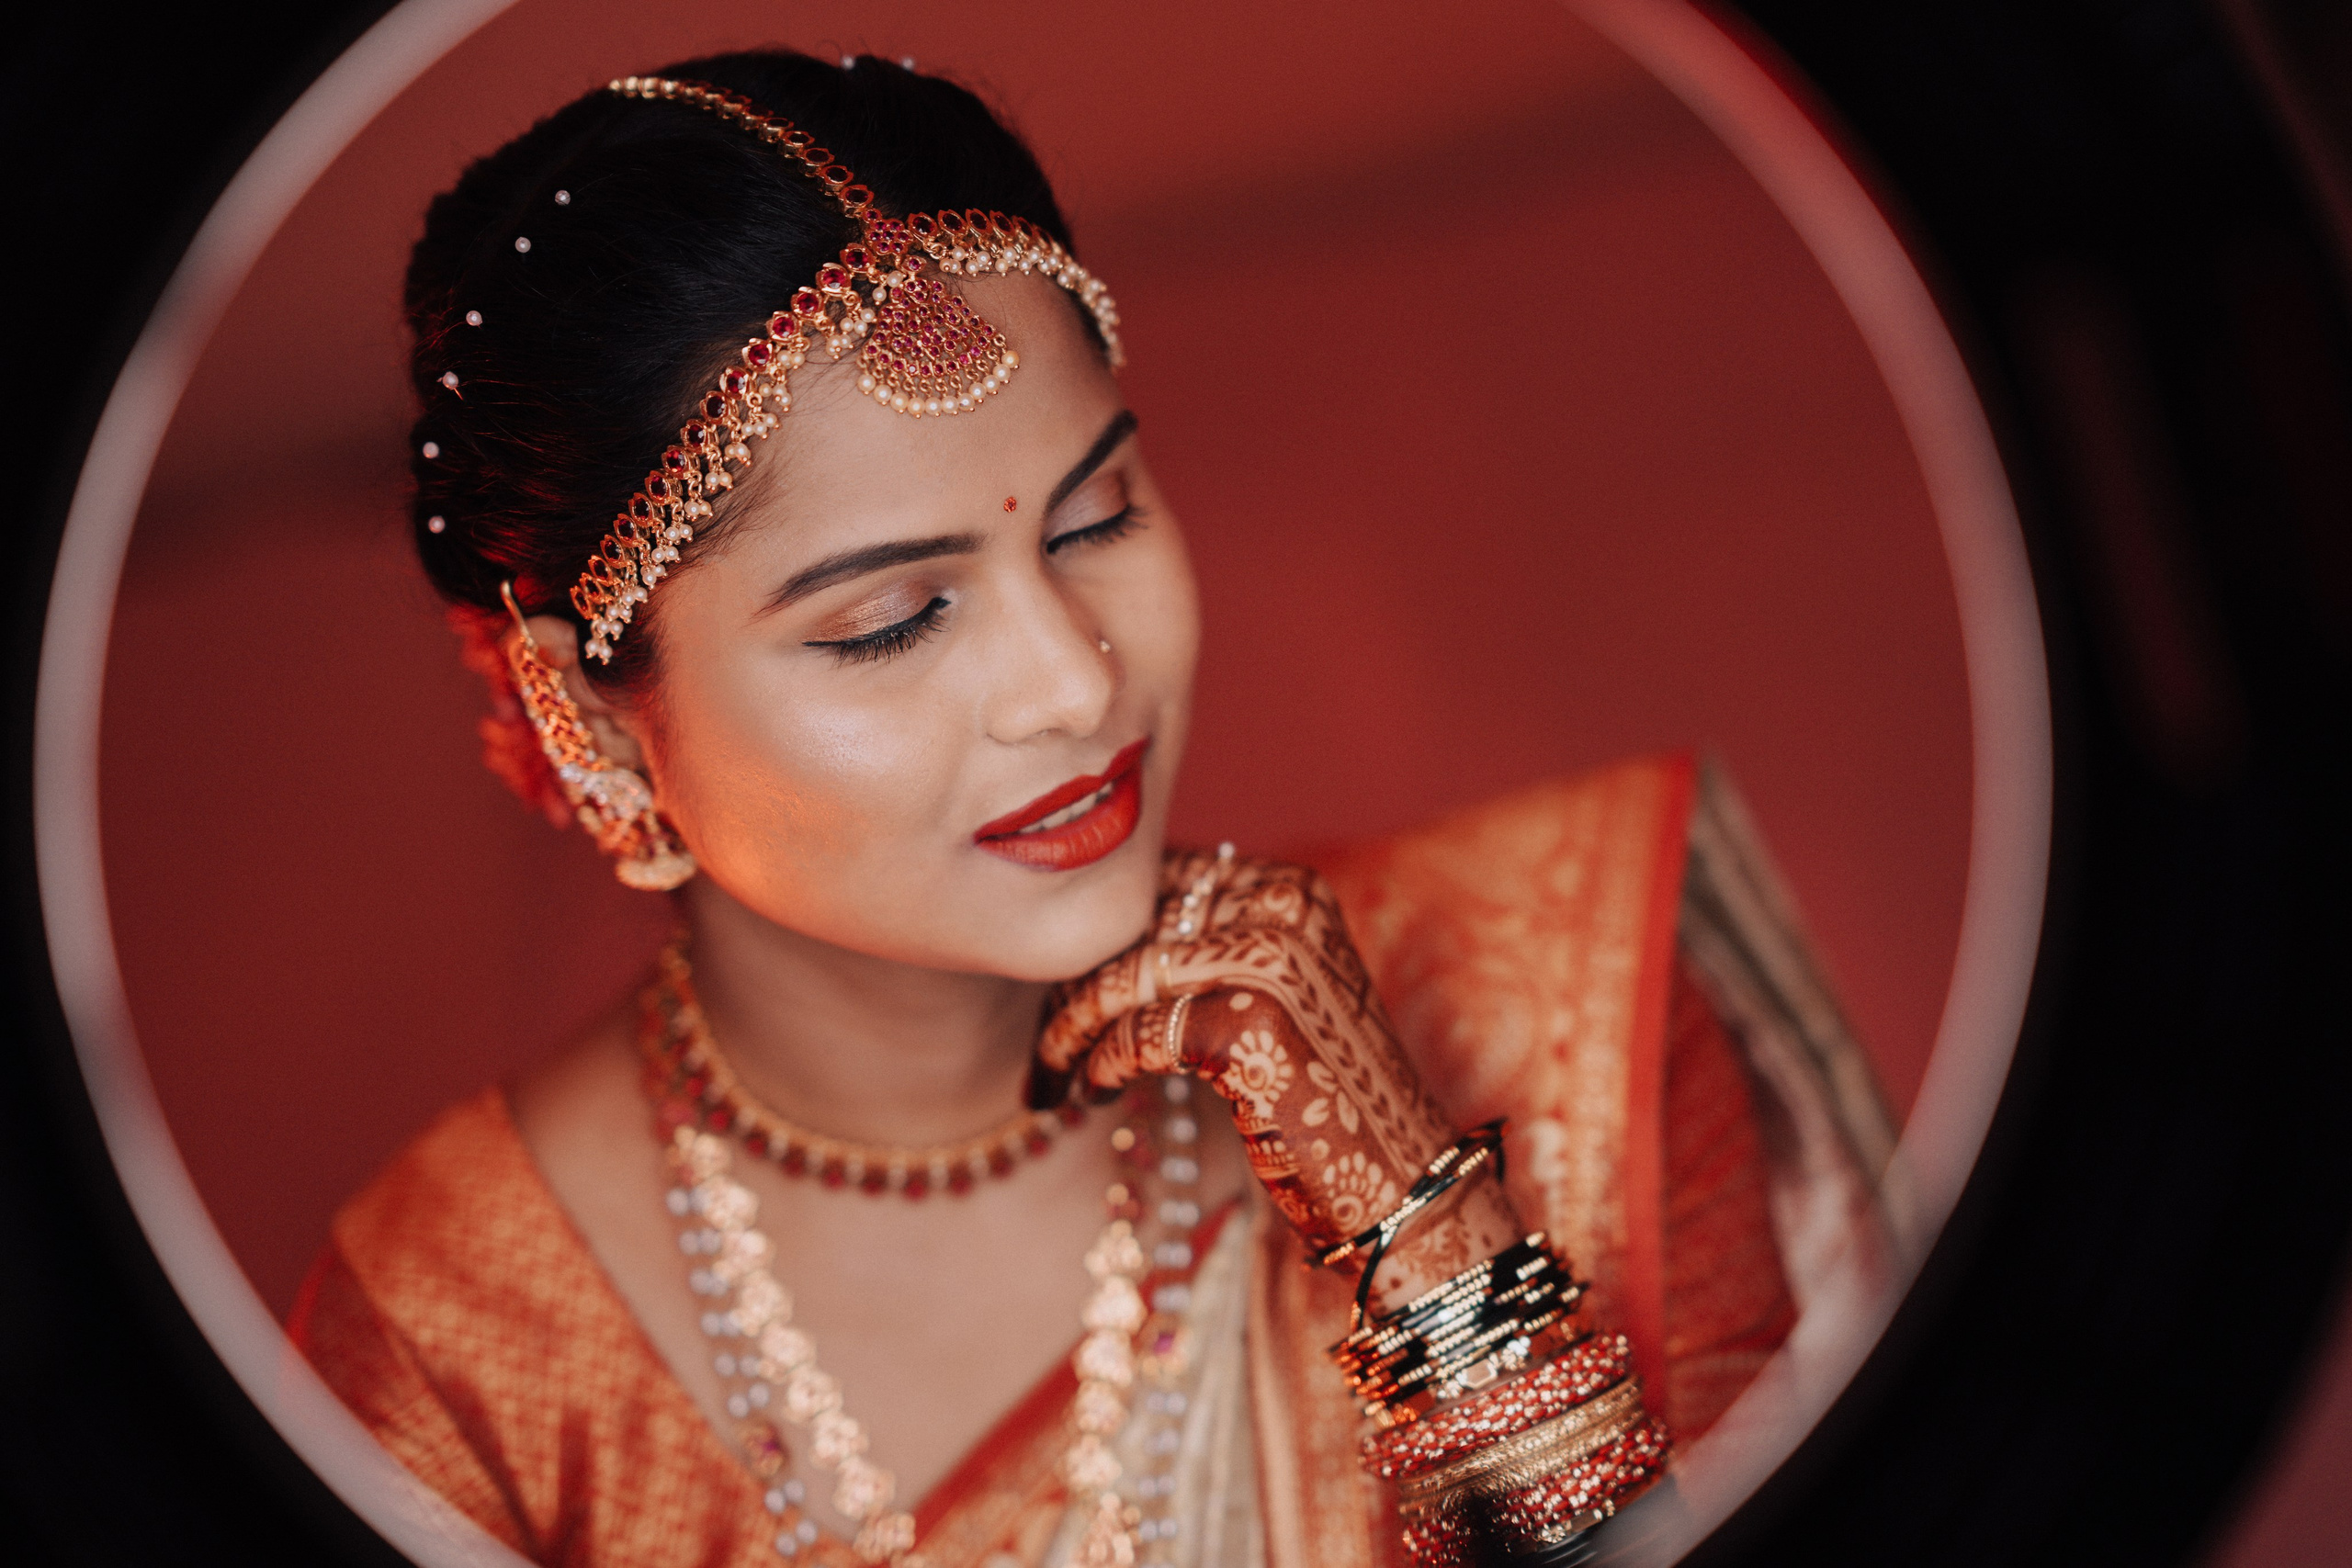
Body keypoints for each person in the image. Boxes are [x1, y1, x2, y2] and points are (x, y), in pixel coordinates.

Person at [288, 49, 1897, 1568]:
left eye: (1098, 516)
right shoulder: (455, 1339)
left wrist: (1426, 1233)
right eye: (889, 620)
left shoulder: (1558, 981)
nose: (1072, 679)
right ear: (589, 714)